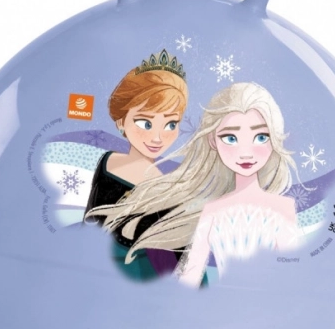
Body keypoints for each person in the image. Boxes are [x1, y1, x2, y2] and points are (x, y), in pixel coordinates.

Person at [88, 82, 303, 287]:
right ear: (212, 141)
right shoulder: (212, 211)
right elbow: (190, 277)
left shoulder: (283, 209)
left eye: (261, 137)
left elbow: (292, 274)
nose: (246, 152)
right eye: (230, 138)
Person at [84, 49, 188, 280]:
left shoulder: (169, 189)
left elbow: (174, 259)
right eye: (145, 123)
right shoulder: (107, 161)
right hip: (91, 271)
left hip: (139, 281)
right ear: (121, 121)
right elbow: (89, 221)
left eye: (171, 124)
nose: (158, 138)